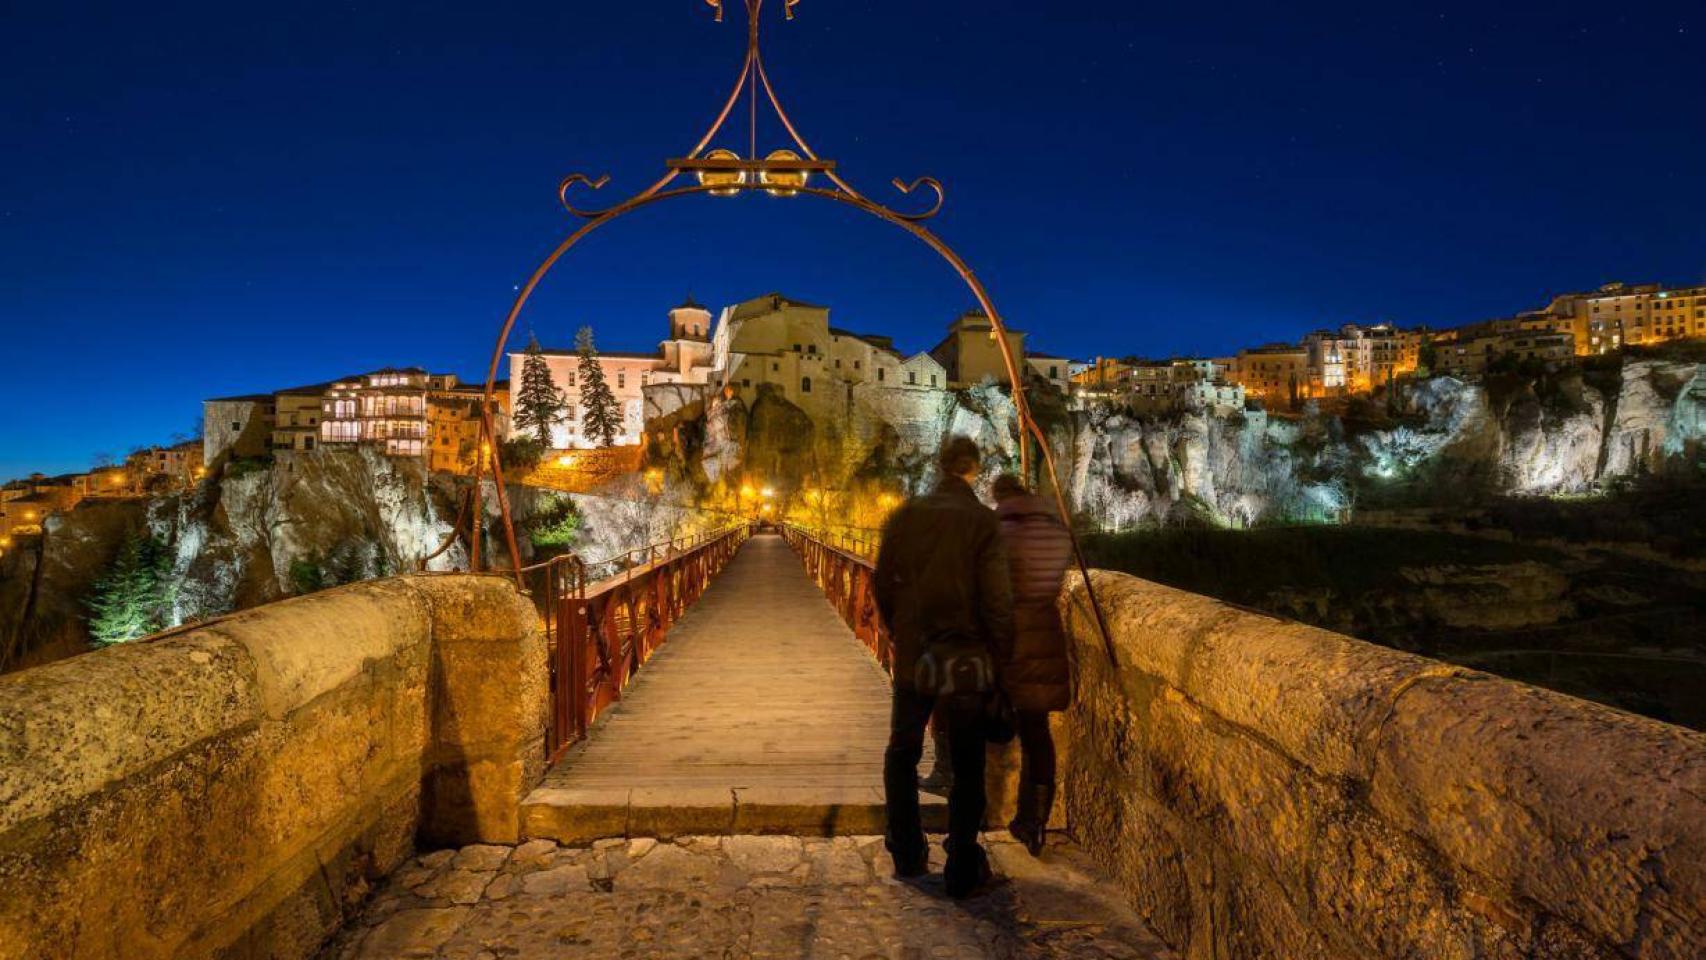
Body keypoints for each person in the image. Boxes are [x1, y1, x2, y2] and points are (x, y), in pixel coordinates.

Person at [875, 436, 1014, 898]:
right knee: (968, 759)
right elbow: (997, 600)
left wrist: (900, 629)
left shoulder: (907, 515)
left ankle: (907, 850)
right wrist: (1002, 656)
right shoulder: (983, 522)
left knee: (903, 749)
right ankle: (960, 859)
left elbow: (882, 580)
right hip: (967, 654)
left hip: (917, 651)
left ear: (940, 466)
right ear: (973, 470)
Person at [990, 473, 1075, 857]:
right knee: (1038, 733)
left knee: (991, 720)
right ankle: (1035, 822)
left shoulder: (997, 533)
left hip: (1009, 637)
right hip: (1046, 635)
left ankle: (982, 815)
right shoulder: (1055, 530)